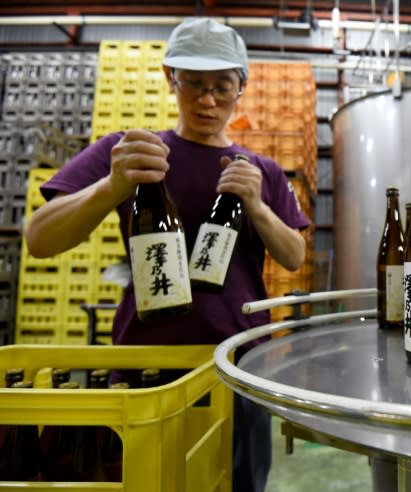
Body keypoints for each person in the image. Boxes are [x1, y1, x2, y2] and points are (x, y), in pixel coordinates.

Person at [23, 17, 310, 492]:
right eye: (193, 83)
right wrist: (111, 187)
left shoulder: (260, 170)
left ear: (242, 88)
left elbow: (294, 254)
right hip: (146, 365)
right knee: (145, 482)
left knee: (236, 484)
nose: (207, 99)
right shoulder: (129, 153)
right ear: (168, 78)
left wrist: (257, 206)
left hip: (237, 366)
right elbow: (39, 238)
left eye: (222, 86)